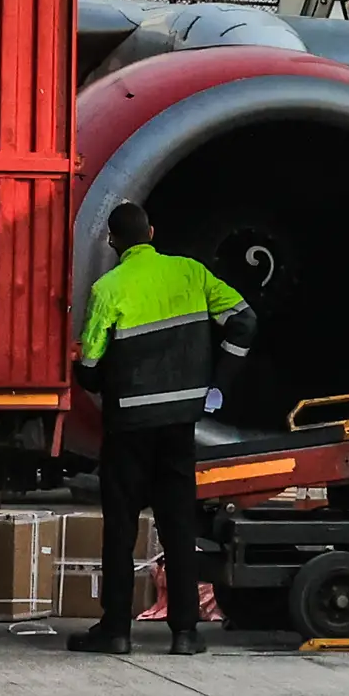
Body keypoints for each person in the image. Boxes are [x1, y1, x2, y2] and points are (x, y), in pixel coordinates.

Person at [72, 200, 255, 655]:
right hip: (179, 424)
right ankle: (185, 633)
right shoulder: (191, 274)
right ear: (151, 232)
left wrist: (93, 372)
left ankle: (115, 630)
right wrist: (219, 385)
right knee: (177, 526)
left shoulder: (108, 289)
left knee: (120, 528)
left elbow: (90, 367)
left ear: (113, 242)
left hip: (129, 426)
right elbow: (245, 320)